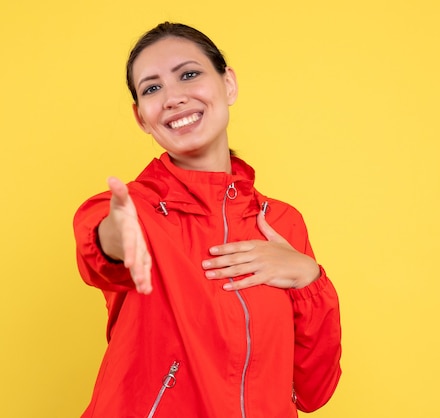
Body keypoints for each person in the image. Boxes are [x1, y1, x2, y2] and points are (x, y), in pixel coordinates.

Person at [73, 22, 341, 418]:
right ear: (141, 117)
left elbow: (314, 391)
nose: (172, 98)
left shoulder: (282, 222)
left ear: (228, 84)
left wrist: (308, 278)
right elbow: (99, 249)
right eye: (151, 88)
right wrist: (117, 233)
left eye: (189, 74)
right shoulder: (134, 207)